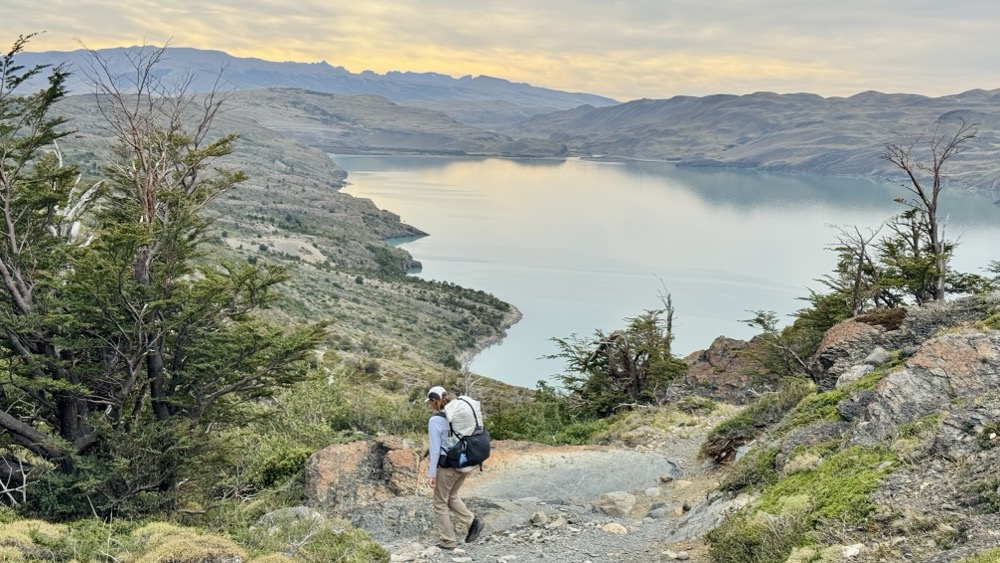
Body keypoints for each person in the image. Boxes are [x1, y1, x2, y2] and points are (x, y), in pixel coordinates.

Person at [425, 385, 484, 550]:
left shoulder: (435, 420)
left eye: (430, 402)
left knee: (439, 502)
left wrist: (431, 475)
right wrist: (471, 464)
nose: (429, 405)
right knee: (452, 496)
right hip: (464, 464)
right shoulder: (460, 417)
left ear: (435, 401)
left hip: (448, 467)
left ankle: (448, 541)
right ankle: (473, 521)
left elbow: (435, 450)